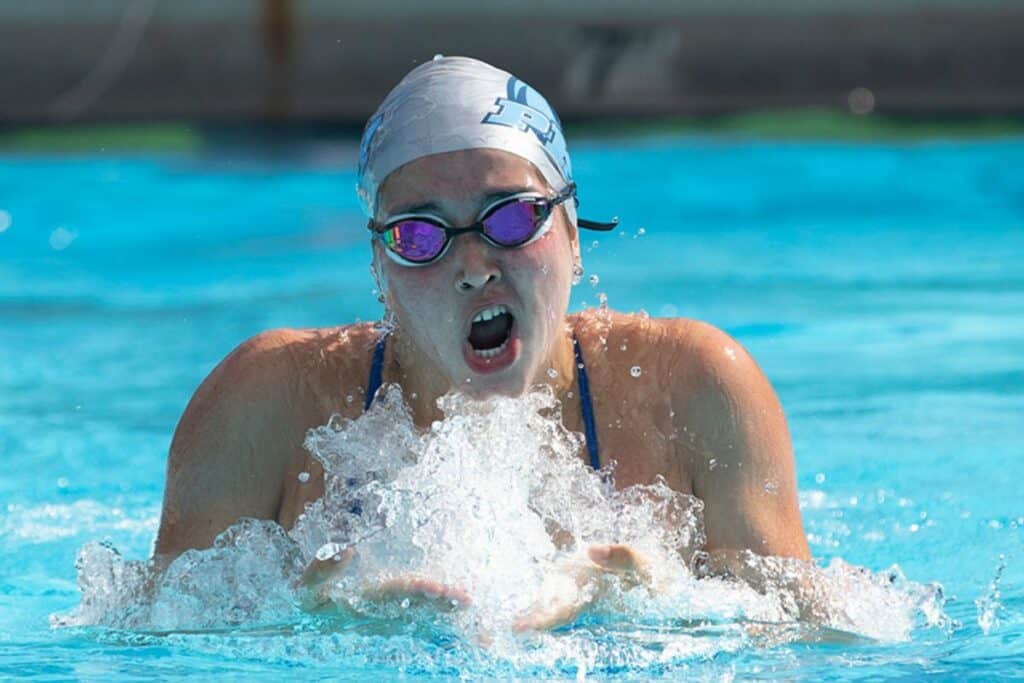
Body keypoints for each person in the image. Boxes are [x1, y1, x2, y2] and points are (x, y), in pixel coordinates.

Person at [154, 56, 810, 629]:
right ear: (380, 272)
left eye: (513, 215)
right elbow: (142, 635)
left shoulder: (695, 386)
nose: (473, 264)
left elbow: (824, 632)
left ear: (574, 234)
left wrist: (665, 609)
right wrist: (298, 628)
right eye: (418, 234)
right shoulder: (267, 399)